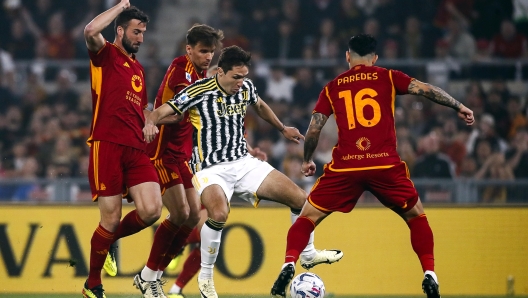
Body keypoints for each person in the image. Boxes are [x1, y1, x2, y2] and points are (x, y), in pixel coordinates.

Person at [270, 34, 475, 298]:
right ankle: (429, 273)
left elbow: (313, 129)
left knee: (307, 217)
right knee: (416, 218)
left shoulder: (332, 87)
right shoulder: (388, 77)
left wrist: (308, 159)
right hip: (384, 165)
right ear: (375, 58)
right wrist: (458, 106)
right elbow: (426, 89)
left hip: (346, 167)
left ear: (347, 56)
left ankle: (288, 263)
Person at [143, 45, 343, 298]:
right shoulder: (198, 91)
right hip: (210, 168)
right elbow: (162, 110)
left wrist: (282, 128)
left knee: (301, 199)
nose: (241, 82)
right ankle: (205, 278)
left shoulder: (245, 88)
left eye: (244, 77)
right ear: (220, 72)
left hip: (243, 162)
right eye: (236, 77)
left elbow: (258, 105)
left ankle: (308, 253)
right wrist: (150, 121)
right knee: (218, 213)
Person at [122, 24, 223, 298]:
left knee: (192, 217)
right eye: (203, 51)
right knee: (179, 213)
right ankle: (150, 277)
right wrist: (155, 118)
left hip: (182, 154)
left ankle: (149, 275)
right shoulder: (181, 70)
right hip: (162, 152)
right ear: (189, 49)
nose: (208, 57)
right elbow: (176, 111)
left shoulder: (200, 72)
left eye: (211, 52)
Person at [82, 1, 163, 297]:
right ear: (120, 30)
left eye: (143, 33)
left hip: (136, 149)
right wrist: (121, 5)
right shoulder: (105, 54)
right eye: (136, 32)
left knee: (153, 210)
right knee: (110, 218)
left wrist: (149, 119)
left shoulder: (139, 70)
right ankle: (92, 284)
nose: (141, 38)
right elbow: (90, 29)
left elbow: (142, 106)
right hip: (107, 144)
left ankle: (109, 240)